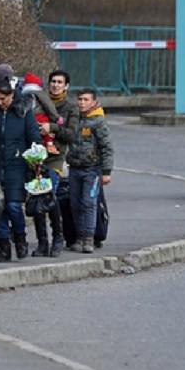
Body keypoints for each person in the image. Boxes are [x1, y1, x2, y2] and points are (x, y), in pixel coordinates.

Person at [0, 79, 41, 262]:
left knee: (13, 205)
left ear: (11, 96)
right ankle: (3, 245)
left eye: (2, 99)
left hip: (17, 165)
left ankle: (19, 236)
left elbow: (34, 137)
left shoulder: (23, 112)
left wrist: (34, 161)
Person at [32, 70, 78, 257]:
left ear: (66, 86)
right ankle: (42, 242)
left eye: (60, 82)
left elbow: (71, 134)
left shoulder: (70, 108)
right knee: (36, 199)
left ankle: (58, 238)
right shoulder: (38, 101)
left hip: (56, 158)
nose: (56, 85)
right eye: (53, 81)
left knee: (50, 196)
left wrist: (52, 128)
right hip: (36, 157)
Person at [66, 88, 113, 254]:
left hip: (92, 169)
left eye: (86, 100)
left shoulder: (98, 122)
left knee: (89, 203)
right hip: (74, 168)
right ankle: (79, 237)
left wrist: (106, 171)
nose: (82, 103)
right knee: (75, 204)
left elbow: (107, 147)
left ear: (93, 102)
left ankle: (89, 238)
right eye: (80, 99)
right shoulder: (74, 119)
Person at [19, 72, 63, 155]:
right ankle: (50, 145)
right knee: (46, 126)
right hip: (39, 115)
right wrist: (57, 118)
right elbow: (48, 105)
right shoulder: (40, 93)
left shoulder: (21, 94)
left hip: (26, 118)